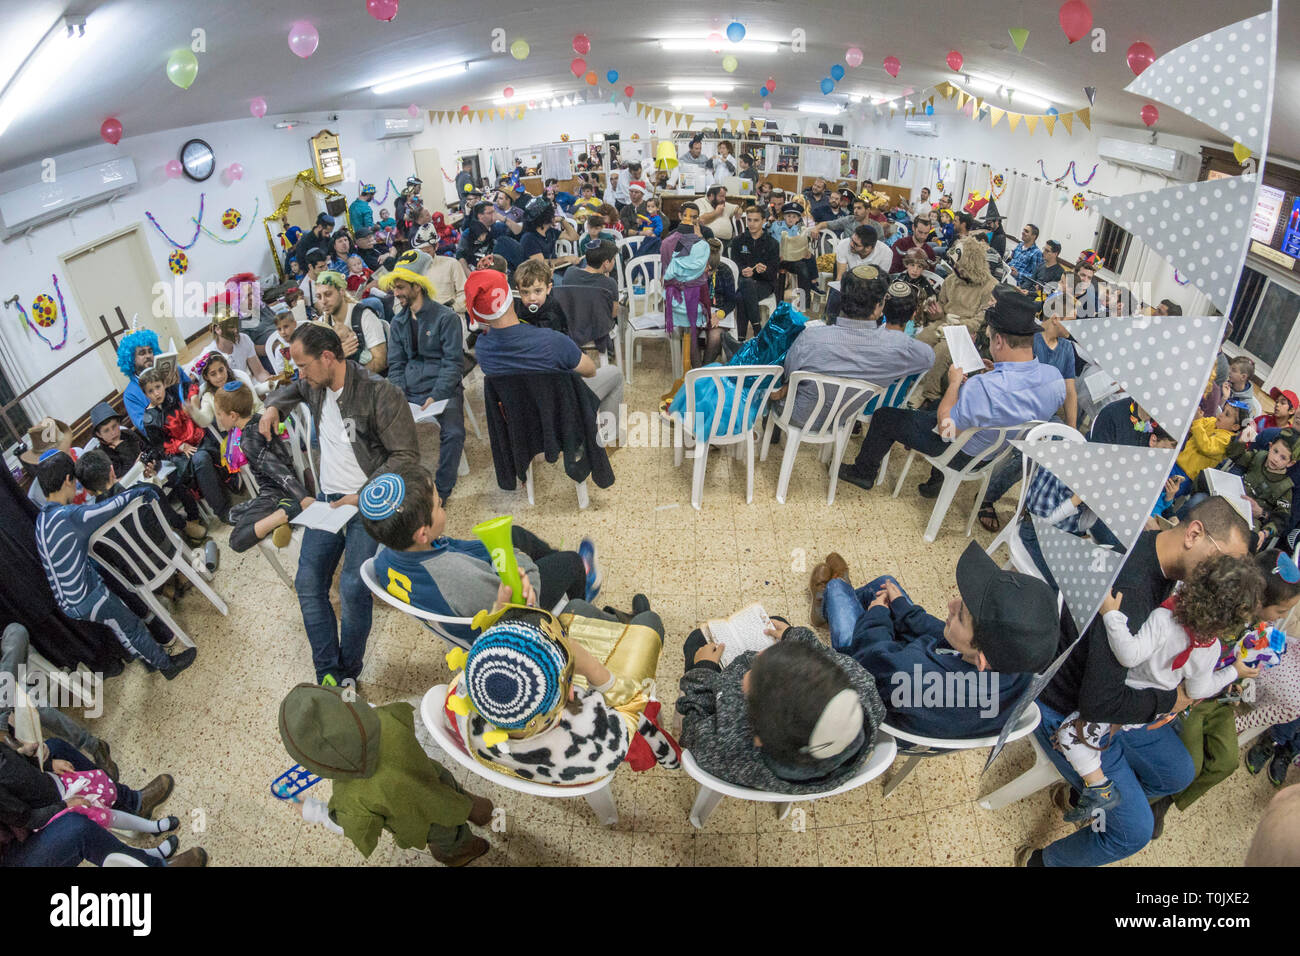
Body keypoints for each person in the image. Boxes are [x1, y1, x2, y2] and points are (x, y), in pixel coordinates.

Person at [1020, 496, 1252, 867]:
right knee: (1134, 832)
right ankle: (1043, 861)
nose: (1229, 575)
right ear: (1194, 533)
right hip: (1069, 710)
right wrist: (1170, 701)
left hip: (1113, 694)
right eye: (1227, 561)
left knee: (1178, 771)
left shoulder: (1165, 561)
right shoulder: (1133, 587)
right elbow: (1099, 703)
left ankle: (1086, 795)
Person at [260, 323, 419, 686]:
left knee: (352, 586)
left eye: (303, 365)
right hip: (330, 501)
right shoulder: (314, 384)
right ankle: (327, 674)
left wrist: (364, 495)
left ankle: (347, 670)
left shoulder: (380, 393)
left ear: (328, 357)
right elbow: (291, 389)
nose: (299, 374)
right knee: (307, 581)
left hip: (369, 502)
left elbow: (407, 457)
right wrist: (272, 407)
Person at [1052, 555, 1263, 823]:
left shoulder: (1165, 618)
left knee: (1070, 733)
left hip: (1127, 698)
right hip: (1151, 710)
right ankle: (1100, 769)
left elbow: (1129, 655)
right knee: (1096, 731)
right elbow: (1198, 691)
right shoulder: (1210, 649)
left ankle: (1099, 787)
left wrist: (1111, 614)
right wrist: (1235, 671)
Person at [816, 543, 1058, 738]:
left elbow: (869, 655)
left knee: (837, 589)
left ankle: (828, 597)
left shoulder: (912, 676)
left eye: (961, 615)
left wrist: (878, 613)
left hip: (875, 674)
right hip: (916, 673)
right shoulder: (1021, 664)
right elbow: (946, 640)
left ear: (982, 660)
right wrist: (902, 608)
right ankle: (841, 600)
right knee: (886, 583)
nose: (951, 604)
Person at [839, 292, 1066, 496]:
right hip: (992, 453)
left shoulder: (984, 387)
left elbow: (947, 430)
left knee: (884, 417)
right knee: (936, 405)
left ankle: (863, 473)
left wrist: (955, 384)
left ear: (998, 340)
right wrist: (991, 372)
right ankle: (934, 482)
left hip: (960, 453)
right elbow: (1017, 401)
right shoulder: (1055, 379)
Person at [444, 601, 676, 786]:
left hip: (536, 754)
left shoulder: (466, 699)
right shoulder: (598, 743)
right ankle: (636, 618)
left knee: (578, 606)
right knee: (649, 621)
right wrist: (593, 668)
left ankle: (619, 619)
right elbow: (630, 704)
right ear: (570, 693)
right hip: (581, 739)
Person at [361, 468, 597, 644]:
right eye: (439, 505)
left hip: (459, 600)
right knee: (571, 562)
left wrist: (498, 550)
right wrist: (517, 558)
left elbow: (455, 547)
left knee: (514, 533)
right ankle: (580, 614)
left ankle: (550, 563)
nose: (442, 506)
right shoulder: (457, 578)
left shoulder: (386, 550)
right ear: (422, 533)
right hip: (507, 627)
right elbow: (521, 602)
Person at [279, 682, 493, 867]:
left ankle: (461, 852)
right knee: (453, 792)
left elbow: (346, 824)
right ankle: (478, 810)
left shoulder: (349, 799)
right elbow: (365, 710)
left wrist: (310, 810)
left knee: (449, 836)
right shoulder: (384, 718)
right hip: (433, 778)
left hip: (422, 821)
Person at [677, 613, 885, 793]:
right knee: (778, 624)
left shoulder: (728, 747)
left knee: (697, 641)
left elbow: (692, 731)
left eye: (749, 686)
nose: (759, 654)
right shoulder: (862, 684)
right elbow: (827, 654)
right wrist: (793, 636)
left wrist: (704, 668)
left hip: (720, 696)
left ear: (758, 738)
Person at [33, 453, 196, 679]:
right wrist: (140, 491)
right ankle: (167, 666)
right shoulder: (68, 516)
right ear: (68, 480)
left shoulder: (43, 518)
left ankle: (148, 659)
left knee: (123, 627)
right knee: (130, 628)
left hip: (67, 599)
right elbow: (110, 506)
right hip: (86, 596)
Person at [467, 268, 624, 448]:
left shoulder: (482, 349)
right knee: (615, 374)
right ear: (512, 295)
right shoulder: (552, 341)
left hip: (522, 421)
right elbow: (590, 371)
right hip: (562, 414)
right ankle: (608, 439)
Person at [0, 734, 204, 867]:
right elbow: (23, 816)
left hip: (22, 806)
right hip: (14, 847)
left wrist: (36, 759)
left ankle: (133, 803)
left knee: (54, 747)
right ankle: (156, 865)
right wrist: (63, 806)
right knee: (77, 828)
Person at [776, 277, 932, 429]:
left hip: (797, 413)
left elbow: (788, 373)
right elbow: (929, 358)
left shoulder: (811, 335)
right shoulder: (904, 348)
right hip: (844, 418)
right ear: (878, 308)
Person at [380, 260, 466, 503]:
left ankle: (441, 492)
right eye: (394, 288)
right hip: (409, 391)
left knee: (454, 433)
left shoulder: (446, 318)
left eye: (400, 287)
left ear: (418, 286)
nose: (395, 293)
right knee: (383, 432)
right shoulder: (398, 322)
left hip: (442, 388)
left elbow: (453, 364)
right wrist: (399, 396)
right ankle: (400, 488)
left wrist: (437, 395)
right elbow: (395, 365)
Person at [0, 623, 114, 777]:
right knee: (39, 709)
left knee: (16, 631)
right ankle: (94, 745)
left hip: (7, 668)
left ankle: (2, 715)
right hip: (9, 688)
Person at [213, 382, 312, 553]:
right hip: (279, 491)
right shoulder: (260, 420)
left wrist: (302, 498)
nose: (218, 418)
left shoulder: (248, 441)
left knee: (236, 540)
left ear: (233, 415)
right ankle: (281, 522)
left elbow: (277, 470)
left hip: (276, 494)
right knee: (232, 514)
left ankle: (285, 513)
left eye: (219, 414)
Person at [139, 367, 232, 522]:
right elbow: (161, 445)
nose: (156, 393)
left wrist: (193, 401)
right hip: (180, 454)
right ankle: (222, 510)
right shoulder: (149, 419)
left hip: (198, 437)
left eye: (158, 387)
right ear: (145, 394)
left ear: (163, 384)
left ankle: (234, 481)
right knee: (200, 458)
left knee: (216, 434)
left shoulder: (174, 393)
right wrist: (181, 446)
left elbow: (191, 387)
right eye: (150, 391)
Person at [117, 327, 196, 432]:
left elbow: (192, 388)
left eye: (150, 351)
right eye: (142, 353)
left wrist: (180, 388)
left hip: (194, 419)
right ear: (131, 359)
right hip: (172, 438)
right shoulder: (130, 394)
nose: (148, 356)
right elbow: (146, 428)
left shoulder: (172, 368)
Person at [313, 271, 388, 375]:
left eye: (328, 294)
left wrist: (351, 379)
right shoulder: (323, 323)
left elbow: (380, 361)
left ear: (341, 291)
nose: (323, 301)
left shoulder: (364, 316)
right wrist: (338, 356)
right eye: (319, 297)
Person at [729, 206, 780, 340]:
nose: (751, 224)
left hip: (764, 284)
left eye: (756, 220)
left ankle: (740, 339)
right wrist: (741, 270)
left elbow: (773, 273)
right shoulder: (738, 241)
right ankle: (757, 330)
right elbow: (735, 265)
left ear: (763, 221)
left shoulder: (772, 243)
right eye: (749, 220)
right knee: (746, 283)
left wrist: (764, 270)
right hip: (743, 282)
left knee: (741, 296)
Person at [186, 350, 264, 430]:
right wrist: (194, 411)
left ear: (226, 367)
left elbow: (258, 405)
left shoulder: (240, 382)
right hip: (235, 436)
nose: (219, 376)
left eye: (221, 370)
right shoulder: (209, 396)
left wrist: (263, 422)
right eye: (213, 374)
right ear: (206, 377)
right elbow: (205, 421)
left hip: (257, 423)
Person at [519, 197, 579, 278]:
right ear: (547, 217)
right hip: (539, 276)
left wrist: (562, 220)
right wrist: (564, 259)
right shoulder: (529, 238)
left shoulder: (549, 231)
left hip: (555, 270)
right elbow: (540, 264)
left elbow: (574, 237)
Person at [770, 201, 816, 304]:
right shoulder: (776, 224)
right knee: (778, 274)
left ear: (798, 219)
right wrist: (769, 222)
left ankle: (805, 301)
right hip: (776, 258)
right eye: (789, 216)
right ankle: (778, 301)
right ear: (784, 216)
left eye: (794, 217)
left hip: (792, 259)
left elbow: (804, 241)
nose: (791, 219)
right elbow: (765, 231)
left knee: (803, 267)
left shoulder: (799, 229)